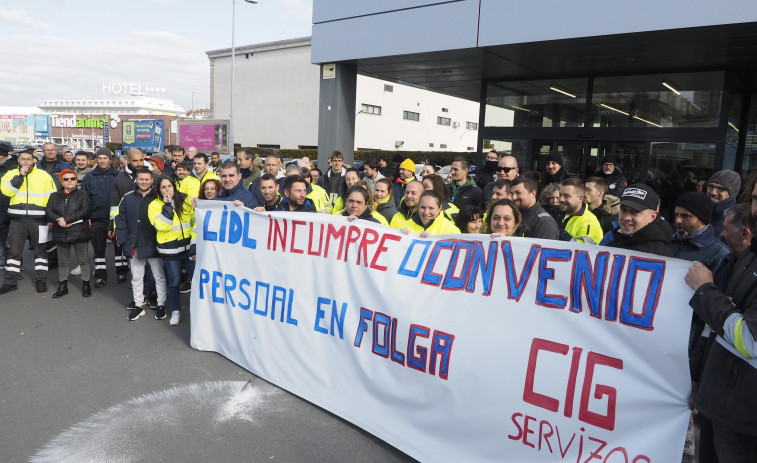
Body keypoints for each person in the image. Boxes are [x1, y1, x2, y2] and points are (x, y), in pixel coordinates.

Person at [683, 200, 757, 461]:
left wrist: (704, 291)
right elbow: (712, 327)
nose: (721, 234)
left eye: (725, 229)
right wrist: (697, 376)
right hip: (716, 400)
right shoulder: (735, 262)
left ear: (744, 233)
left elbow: (749, 341)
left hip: (742, 415)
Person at [114, 168, 167, 321]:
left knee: (159, 276)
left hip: (154, 244)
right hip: (134, 244)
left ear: (152, 180)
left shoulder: (159, 198)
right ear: (136, 179)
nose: (144, 182)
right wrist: (124, 241)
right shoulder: (127, 198)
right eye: (141, 179)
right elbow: (120, 220)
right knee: (137, 277)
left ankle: (161, 304)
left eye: (147, 179)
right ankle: (138, 305)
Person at [0, 150, 57, 294]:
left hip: (39, 220)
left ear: (34, 161)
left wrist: (50, 219)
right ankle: (10, 282)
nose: (26, 162)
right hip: (17, 220)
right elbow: (7, 191)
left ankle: (41, 281)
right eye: (23, 159)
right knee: (13, 252)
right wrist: (20, 176)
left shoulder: (43, 176)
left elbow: (52, 199)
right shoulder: (10, 174)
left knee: (41, 252)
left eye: (28, 159)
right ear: (18, 160)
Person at [149, 176, 195, 326]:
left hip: (188, 249)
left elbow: (195, 218)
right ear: (159, 189)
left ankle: (199, 309)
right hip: (170, 252)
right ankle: (176, 310)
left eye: (170, 186)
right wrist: (167, 206)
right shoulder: (155, 205)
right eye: (163, 187)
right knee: (174, 282)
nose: (167, 189)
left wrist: (196, 202)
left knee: (196, 280)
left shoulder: (184, 200)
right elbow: (164, 226)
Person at [45, 170, 92, 298]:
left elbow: (85, 210)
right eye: (66, 179)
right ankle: (63, 285)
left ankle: (86, 284)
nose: (69, 181)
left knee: (83, 260)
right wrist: (60, 220)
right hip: (61, 231)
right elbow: (48, 211)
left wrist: (67, 219)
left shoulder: (83, 194)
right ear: (61, 181)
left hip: (79, 231)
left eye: (72, 178)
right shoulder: (54, 196)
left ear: (76, 180)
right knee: (63, 261)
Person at [81, 148, 122, 287]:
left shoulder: (119, 176)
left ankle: (121, 272)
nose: (103, 161)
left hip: (116, 219)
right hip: (97, 218)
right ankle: (100, 275)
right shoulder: (89, 177)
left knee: (119, 248)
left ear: (110, 159)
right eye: (100, 158)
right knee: (98, 249)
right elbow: (84, 199)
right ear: (96, 160)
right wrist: (87, 216)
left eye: (105, 158)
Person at [605, 184, 674, 257]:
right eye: (623, 210)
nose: (626, 218)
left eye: (635, 211)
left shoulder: (659, 256)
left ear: (653, 216)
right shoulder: (614, 240)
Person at [670, 191, 729, 268]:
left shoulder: (719, 254)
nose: (678, 220)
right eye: (676, 215)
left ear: (702, 219)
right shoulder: (668, 242)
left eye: (685, 216)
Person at [558, 178, 603, 244]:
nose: (561, 199)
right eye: (560, 195)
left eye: (566, 196)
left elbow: (584, 251)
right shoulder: (557, 214)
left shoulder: (589, 222)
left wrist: (560, 233)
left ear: (580, 198)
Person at [0, 142, 19, 271]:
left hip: (8, 211)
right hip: (3, 210)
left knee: (9, 243)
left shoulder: (12, 169)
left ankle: (13, 267)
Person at [707, 169, 741, 237]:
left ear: (732, 194)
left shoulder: (736, 220)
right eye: (711, 186)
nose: (713, 192)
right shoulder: (699, 210)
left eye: (720, 189)